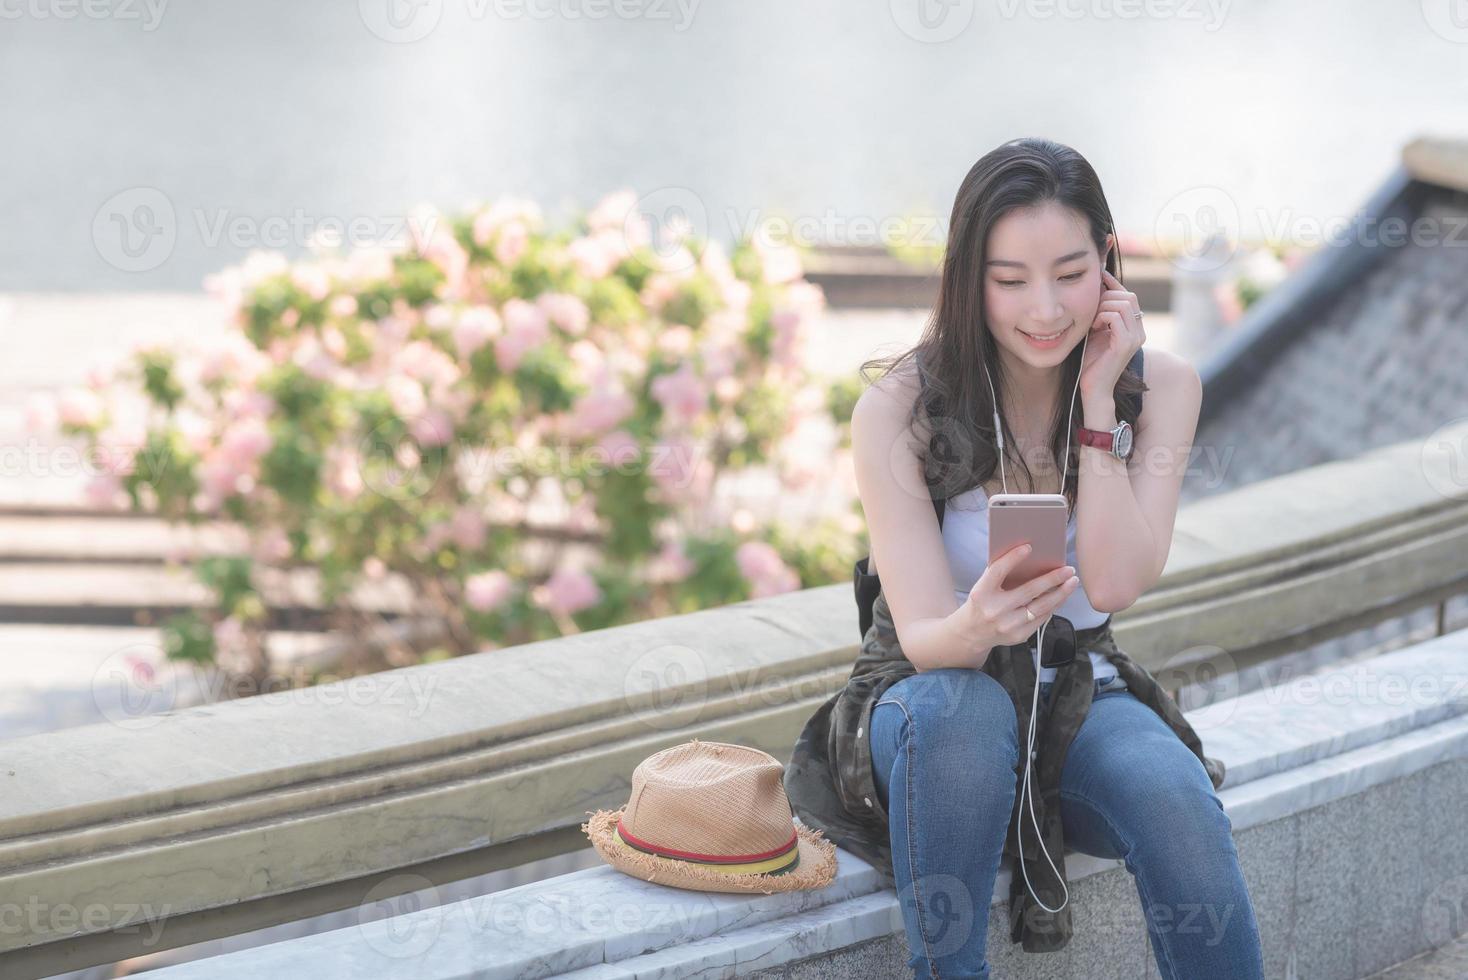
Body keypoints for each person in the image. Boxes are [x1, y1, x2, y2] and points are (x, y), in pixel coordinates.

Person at [784, 138, 1265, 979]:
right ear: (969, 278)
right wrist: (977, 625)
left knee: (1175, 799)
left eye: (1071, 274)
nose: (1043, 309)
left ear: (1111, 263)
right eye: (1009, 281)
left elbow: (1115, 584)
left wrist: (1096, 405)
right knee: (964, 714)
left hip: (1076, 691)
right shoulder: (902, 409)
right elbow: (925, 637)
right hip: (927, 700)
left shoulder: (1164, 390)